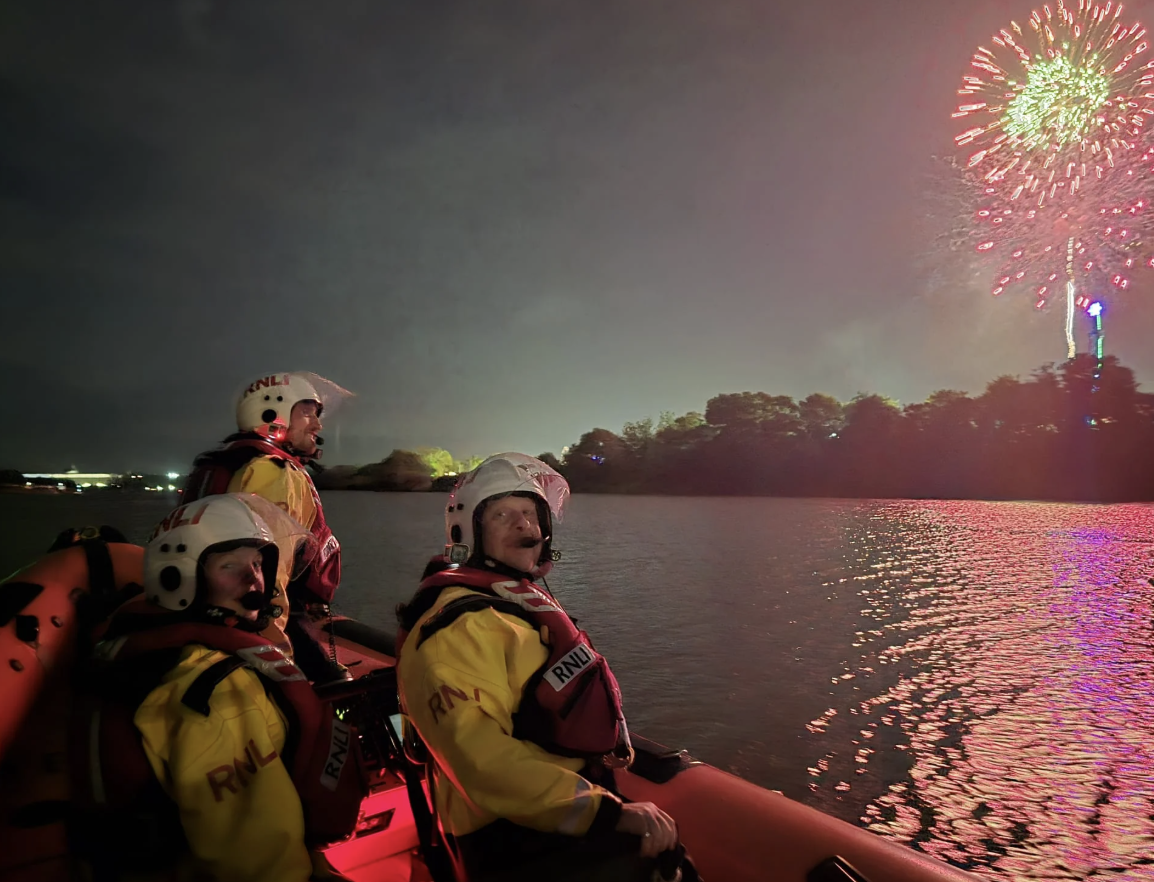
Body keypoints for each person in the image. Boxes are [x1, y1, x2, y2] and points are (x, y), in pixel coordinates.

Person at [395, 453, 698, 882]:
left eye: (530, 514)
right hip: (510, 835)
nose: (524, 526)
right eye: (503, 515)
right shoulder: (459, 628)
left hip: (557, 808)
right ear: (468, 532)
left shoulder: (511, 606)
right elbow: (481, 761)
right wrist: (606, 812)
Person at [75, 494, 363, 881]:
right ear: (177, 577)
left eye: (259, 564)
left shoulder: (153, 652)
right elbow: (260, 865)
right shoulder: (218, 695)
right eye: (231, 566)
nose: (254, 582)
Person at [182, 372, 352, 685]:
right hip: (259, 622)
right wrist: (277, 657)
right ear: (272, 413)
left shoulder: (241, 464)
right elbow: (267, 576)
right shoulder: (274, 473)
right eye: (306, 414)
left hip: (218, 612)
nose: (317, 425)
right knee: (338, 689)